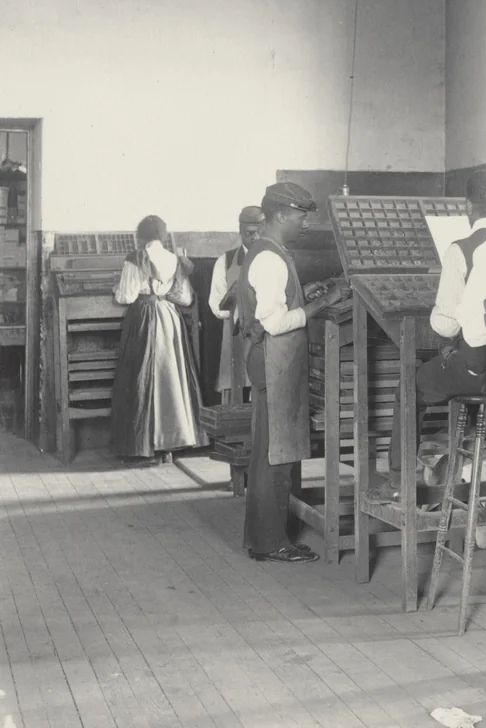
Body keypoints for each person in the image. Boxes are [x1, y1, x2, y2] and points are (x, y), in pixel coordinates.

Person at [367, 169, 486, 505]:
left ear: (469, 208)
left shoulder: (460, 249)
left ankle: (398, 481)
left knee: (411, 385)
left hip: (480, 371)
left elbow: (446, 325)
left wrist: (442, 322)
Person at [237, 183, 348, 564]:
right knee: (274, 453)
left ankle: (269, 536)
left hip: (274, 361)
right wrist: (326, 303)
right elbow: (276, 321)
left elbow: (277, 302)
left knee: (276, 450)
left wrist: (307, 293)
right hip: (273, 360)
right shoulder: (269, 257)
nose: (304, 223)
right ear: (281, 215)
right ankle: (269, 543)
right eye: (301, 216)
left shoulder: (270, 250)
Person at [110, 216, 202, 462]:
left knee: (143, 376)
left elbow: (128, 296)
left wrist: (116, 291)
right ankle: (168, 444)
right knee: (169, 378)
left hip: (144, 318)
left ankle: (145, 445)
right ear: (162, 236)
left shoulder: (136, 258)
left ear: (141, 236)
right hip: (169, 318)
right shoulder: (175, 259)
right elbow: (185, 298)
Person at [208, 205, 265, 401]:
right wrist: (235, 310)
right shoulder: (225, 261)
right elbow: (215, 302)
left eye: (259, 232)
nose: (255, 237)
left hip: (265, 330)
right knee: (236, 380)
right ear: (241, 231)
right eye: (250, 233)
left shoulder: (271, 258)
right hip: (235, 332)